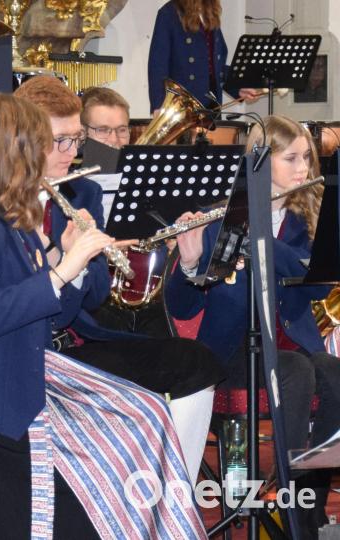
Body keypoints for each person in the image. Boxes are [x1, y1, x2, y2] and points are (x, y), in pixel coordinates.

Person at [0, 92, 203, 540]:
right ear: (13, 150)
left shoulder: (10, 216)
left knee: (135, 430)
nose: (63, 155)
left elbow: (43, 309)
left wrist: (66, 256)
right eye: (45, 144)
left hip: (16, 391)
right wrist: (65, 267)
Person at [10, 75, 223, 484]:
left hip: (73, 341)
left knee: (194, 363)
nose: (71, 154)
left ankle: (170, 496)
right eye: (61, 141)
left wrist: (76, 263)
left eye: (75, 140)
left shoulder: (82, 193)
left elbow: (92, 296)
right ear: (21, 138)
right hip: (20, 353)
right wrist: (61, 261)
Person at [167, 115, 340, 538]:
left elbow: (315, 291)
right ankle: (286, 505)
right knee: (296, 372)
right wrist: (190, 265)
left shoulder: (305, 220)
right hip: (228, 353)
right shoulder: (219, 217)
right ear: (260, 164)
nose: (304, 169)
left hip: (289, 346)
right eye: (292, 159)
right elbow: (181, 305)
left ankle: (306, 503)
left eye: (307, 159)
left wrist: (266, 238)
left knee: (334, 372)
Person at [79, 86, 175, 338]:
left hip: (148, 296)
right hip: (97, 301)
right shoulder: (72, 188)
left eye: (122, 130)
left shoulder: (151, 181)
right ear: (82, 134)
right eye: (103, 130)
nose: (114, 139)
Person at [148, 0, 261, 112]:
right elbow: (157, 66)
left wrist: (238, 87)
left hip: (212, 104)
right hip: (183, 107)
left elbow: (215, 67)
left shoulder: (210, 13)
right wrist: (158, 107)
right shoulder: (169, 13)